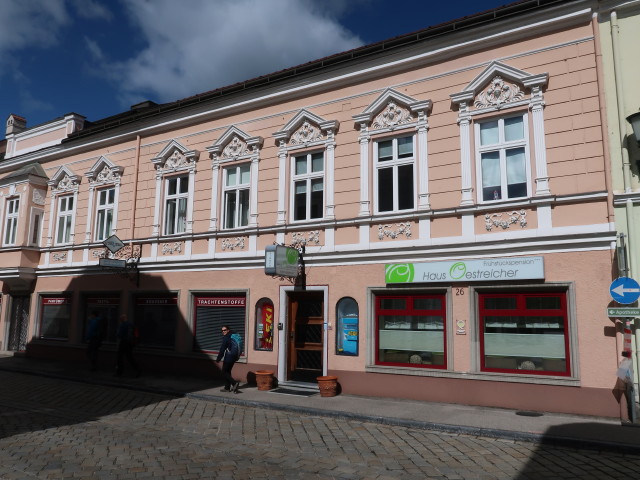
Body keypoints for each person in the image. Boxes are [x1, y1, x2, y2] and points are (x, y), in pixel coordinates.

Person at [216, 325, 240, 393]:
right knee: (228, 372)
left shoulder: (226, 338)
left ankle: (234, 383)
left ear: (228, 330)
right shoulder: (233, 336)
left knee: (224, 372)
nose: (223, 331)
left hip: (228, 357)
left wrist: (218, 358)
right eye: (222, 330)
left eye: (225, 330)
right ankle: (227, 388)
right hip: (233, 357)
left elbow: (222, 349)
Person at [617, 350, 636, 422]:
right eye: (630, 354)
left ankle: (630, 417)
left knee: (630, 401)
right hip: (627, 384)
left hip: (628, 383)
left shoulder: (626, 361)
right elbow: (623, 375)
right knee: (629, 401)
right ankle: (630, 418)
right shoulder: (625, 361)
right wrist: (630, 383)